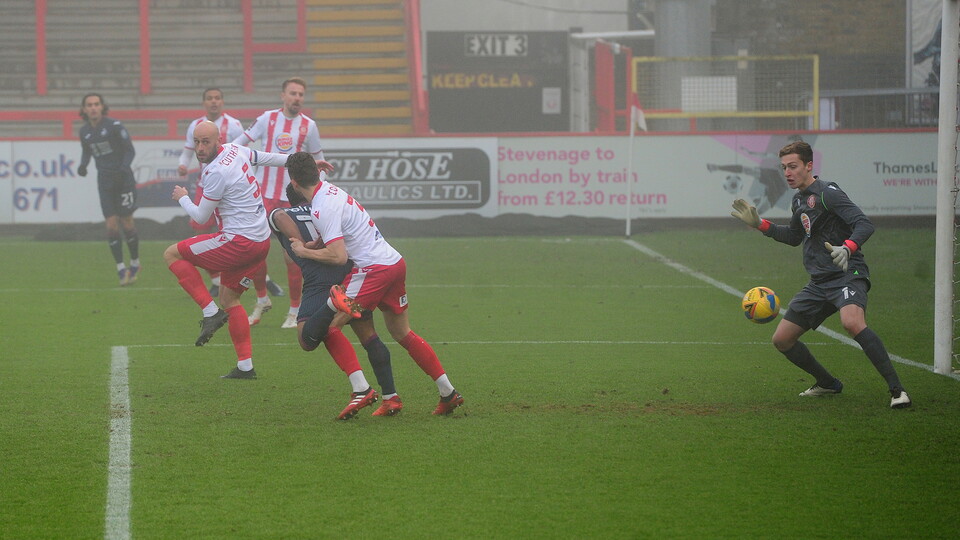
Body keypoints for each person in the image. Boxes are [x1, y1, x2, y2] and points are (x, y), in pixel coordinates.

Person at [731, 140, 911, 409]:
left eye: (793, 166)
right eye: (784, 168)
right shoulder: (798, 200)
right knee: (782, 339)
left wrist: (848, 247)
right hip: (819, 283)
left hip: (847, 273)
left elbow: (864, 224)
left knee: (851, 322)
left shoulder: (828, 193)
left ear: (809, 166)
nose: (788, 173)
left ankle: (898, 391)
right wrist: (760, 224)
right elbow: (794, 237)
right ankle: (828, 383)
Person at [284, 151, 465, 417]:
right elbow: (336, 229)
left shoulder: (321, 207)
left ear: (293, 182)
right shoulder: (329, 190)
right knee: (402, 333)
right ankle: (447, 392)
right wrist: (314, 244)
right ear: (316, 174)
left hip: (372, 271)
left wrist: (303, 252)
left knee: (329, 326)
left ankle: (362, 390)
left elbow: (339, 257)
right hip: (394, 263)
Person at [163, 121, 297, 379]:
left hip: (238, 243)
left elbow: (201, 217)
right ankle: (245, 367)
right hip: (260, 243)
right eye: (197, 142)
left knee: (171, 254)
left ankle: (210, 312)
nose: (200, 148)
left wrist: (182, 197)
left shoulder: (215, 172)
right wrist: (302, 162)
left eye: (206, 142)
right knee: (230, 300)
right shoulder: (237, 150)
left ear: (219, 140)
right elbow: (270, 158)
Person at [271, 183, 403, 417]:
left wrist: (301, 244)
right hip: (349, 275)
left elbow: (279, 216)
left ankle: (361, 388)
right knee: (369, 335)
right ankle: (390, 396)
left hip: (319, 280)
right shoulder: (324, 208)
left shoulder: (282, 212)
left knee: (308, 337)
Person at [233, 77, 322, 329]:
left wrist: (319, 194)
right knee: (254, 252)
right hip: (263, 196)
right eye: (293, 93)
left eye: (301, 94)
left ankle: (295, 311)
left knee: (292, 255)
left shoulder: (309, 126)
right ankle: (262, 299)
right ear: (283, 96)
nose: (297, 98)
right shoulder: (267, 119)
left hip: (292, 200)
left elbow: (318, 160)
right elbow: (238, 144)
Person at [177, 87, 245, 298]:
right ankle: (216, 279)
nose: (214, 101)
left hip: (231, 186)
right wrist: (182, 164)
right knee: (200, 229)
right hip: (205, 184)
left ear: (222, 102)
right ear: (204, 102)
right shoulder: (195, 125)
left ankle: (253, 279)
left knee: (235, 231)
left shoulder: (234, 125)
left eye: (217, 98)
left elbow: (243, 152)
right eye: (209, 98)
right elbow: (187, 151)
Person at [77, 93, 140, 286]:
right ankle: (121, 268)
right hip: (104, 182)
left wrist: (123, 169)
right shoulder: (84, 131)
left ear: (102, 107)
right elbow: (87, 150)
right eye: (89, 105)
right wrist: (83, 165)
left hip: (123, 180)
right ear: (84, 109)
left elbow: (130, 150)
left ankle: (135, 262)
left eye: (96, 104)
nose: (93, 107)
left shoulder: (114, 126)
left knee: (126, 222)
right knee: (111, 225)